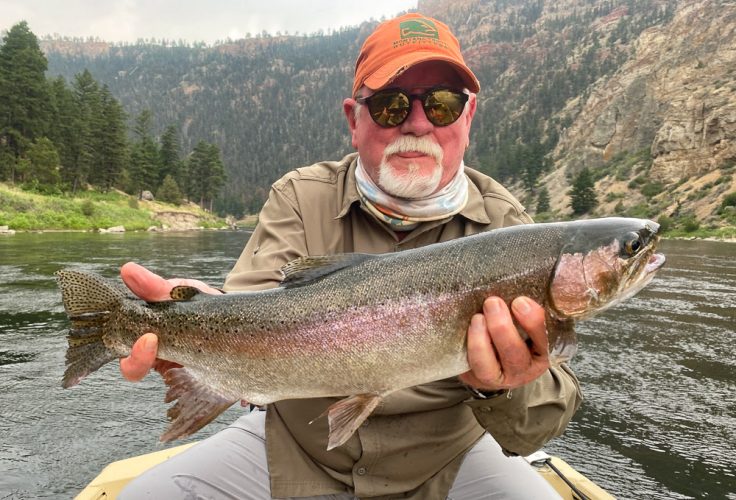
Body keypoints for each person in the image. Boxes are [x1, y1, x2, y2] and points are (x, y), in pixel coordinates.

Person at [119, 12, 582, 499]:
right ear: (353, 120)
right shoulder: (300, 196)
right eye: (389, 105)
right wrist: (204, 324)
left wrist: (502, 386)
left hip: (448, 455)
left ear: (467, 119)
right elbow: (250, 301)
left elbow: (539, 428)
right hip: (302, 443)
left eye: (443, 105)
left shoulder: (512, 232)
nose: (418, 122)